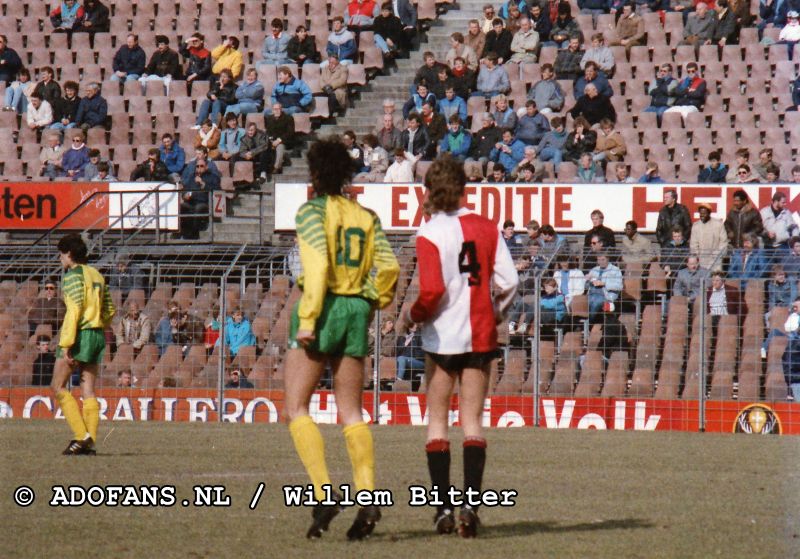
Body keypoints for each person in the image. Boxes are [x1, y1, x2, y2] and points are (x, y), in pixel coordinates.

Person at [283, 137, 399, 540]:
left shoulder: (312, 212)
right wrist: (374, 300)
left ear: (314, 174)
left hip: (324, 306)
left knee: (297, 406)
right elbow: (388, 266)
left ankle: (323, 494)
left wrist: (309, 318)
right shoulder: (366, 215)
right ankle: (367, 496)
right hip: (356, 309)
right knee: (352, 410)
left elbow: (316, 268)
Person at [399, 155, 517, 537]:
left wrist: (411, 316)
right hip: (480, 333)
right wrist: (496, 311)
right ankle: (470, 505)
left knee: (436, 421)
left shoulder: (429, 232)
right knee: (472, 422)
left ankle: (442, 510)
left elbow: (431, 291)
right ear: (464, 187)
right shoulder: (486, 226)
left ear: (430, 191)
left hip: (442, 338)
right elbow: (510, 280)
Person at [50, 234, 115, 455]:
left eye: (61, 254)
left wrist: (67, 342)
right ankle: (90, 442)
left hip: (80, 334)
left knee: (58, 386)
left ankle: (80, 435)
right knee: (88, 389)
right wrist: (98, 324)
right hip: (97, 334)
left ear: (69, 253)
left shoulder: (72, 276)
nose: (60, 259)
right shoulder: (96, 274)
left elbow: (74, 310)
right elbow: (110, 310)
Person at [179, 158, 220, 239]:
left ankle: (194, 233)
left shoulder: (212, 177)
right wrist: (185, 195)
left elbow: (217, 190)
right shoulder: (192, 177)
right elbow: (185, 189)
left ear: (206, 167)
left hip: (205, 202)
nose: (199, 168)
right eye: (197, 166)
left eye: (202, 166)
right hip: (191, 201)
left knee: (198, 208)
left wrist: (203, 184)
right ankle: (185, 232)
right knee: (182, 206)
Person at [586, 252, 623, 323]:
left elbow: (619, 286)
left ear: (608, 259)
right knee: (585, 302)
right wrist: (587, 280)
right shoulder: (594, 269)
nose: (600, 262)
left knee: (596, 302)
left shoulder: (615, 270)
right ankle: (587, 323)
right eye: (599, 260)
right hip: (592, 293)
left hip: (605, 294)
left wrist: (604, 283)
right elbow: (586, 286)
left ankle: (588, 323)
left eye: (603, 260)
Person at [690, 203, 728, 271]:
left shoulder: (718, 224)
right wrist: (697, 256)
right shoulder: (696, 226)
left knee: (716, 279)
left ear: (709, 213)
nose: (702, 216)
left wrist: (716, 255)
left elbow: (723, 243)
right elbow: (693, 245)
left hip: (716, 260)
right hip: (701, 260)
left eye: (704, 213)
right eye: (701, 214)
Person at [264, 102, 296, 174]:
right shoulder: (269, 118)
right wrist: (271, 140)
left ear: (281, 109)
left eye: (278, 109)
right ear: (272, 110)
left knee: (280, 146)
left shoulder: (288, 118)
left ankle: (276, 167)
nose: (277, 111)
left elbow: (290, 133)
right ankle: (264, 170)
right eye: (275, 109)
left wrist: (278, 140)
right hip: (272, 140)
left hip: (284, 140)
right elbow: (268, 132)